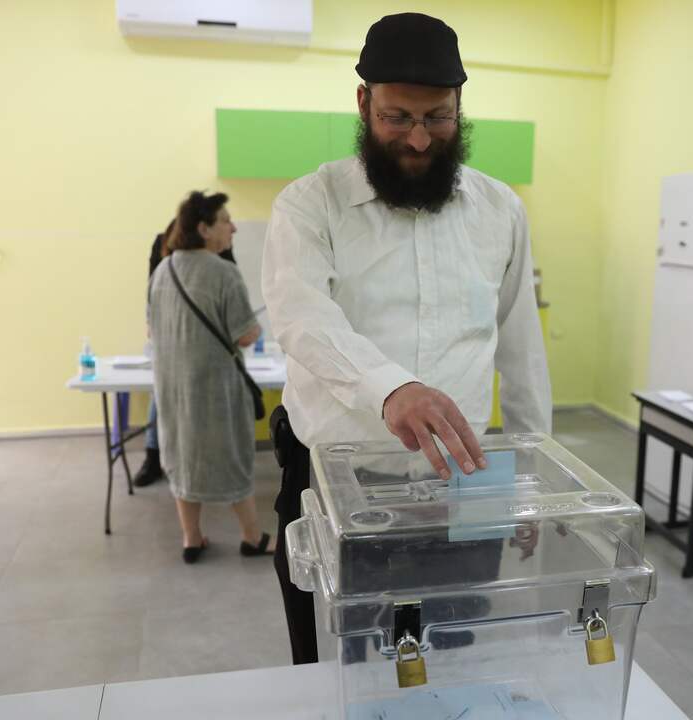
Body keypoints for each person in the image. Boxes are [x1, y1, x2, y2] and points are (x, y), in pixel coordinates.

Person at [261, 12, 551, 664]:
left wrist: (528, 475)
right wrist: (393, 390)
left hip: (463, 484)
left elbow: (521, 347)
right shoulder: (311, 204)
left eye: (438, 118)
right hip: (341, 481)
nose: (419, 140)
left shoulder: (500, 209)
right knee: (342, 661)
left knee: (450, 655)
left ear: (459, 108)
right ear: (364, 104)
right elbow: (302, 317)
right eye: (399, 118)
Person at [150, 191, 275, 563]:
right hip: (215, 390)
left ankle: (192, 538)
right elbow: (245, 334)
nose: (232, 226)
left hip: (172, 390)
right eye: (224, 220)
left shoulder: (164, 269)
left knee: (182, 456)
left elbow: (152, 327)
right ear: (204, 228)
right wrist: (254, 326)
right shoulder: (223, 272)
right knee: (232, 457)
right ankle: (252, 537)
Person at [134, 220, 237, 488]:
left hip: (209, 339)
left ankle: (211, 461)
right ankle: (153, 456)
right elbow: (152, 289)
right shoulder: (162, 241)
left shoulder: (220, 245)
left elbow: (231, 286)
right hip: (171, 335)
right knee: (162, 395)